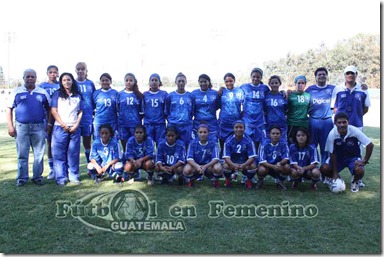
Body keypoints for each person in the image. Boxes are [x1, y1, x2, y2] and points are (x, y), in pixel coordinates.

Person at [6, 69, 50, 186]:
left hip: (39, 127)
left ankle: (37, 177)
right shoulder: (16, 92)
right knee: (22, 154)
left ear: (36, 78)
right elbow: (9, 109)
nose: (30, 79)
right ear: (23, 78)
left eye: (32, 76)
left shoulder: (42, 92)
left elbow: (50, 109)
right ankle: (22, 178)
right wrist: (10, 126)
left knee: (39, 154)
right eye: (27, 76)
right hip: (21, 127)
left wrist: (49, 124)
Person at [320, 112, 374, 193]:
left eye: (344, 122)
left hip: (353, 158)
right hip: (338, 159)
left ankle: (355, 181)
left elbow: (370, 145)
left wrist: (364, 161)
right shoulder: (332, 134)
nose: (342, 125)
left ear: (348, 122)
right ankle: (336, 179)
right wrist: (335, 173)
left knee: (360, 170)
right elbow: (332, 154)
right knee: (324, 168)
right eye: (339, 122)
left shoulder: (354, 130)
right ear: (335, 123)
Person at [51, 72, 83, 186]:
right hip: (60, 128)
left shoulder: (77, 95)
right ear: (61, 82)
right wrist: (63, 124)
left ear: (72, 81)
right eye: (64, 80)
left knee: (73, 153)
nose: (66, 82)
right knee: (59, 154)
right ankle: (61, 178)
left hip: (74, 128)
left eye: (68, 79)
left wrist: (76, 125)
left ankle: (74, 176)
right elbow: (53, 111)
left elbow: (80, 112)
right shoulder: (57, 94)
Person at [305, 67, 336, 165]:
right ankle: (310, 170)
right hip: (313, 121)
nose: (322, 76)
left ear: (327, 76)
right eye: (319, 74)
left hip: (327, 121)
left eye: (324, 74)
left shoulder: (333, 89)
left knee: (326, 147)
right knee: (311, 146)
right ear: (315, 77)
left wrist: (362, 88)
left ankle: (324, 171)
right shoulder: (310, 89)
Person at [332, 65, 371, 130]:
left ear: (356, 74)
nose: (350, 75)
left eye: (352, 73)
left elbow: (366, 108)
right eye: (348, 73)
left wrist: (356, 115)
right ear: (345, 75)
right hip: (340, 126)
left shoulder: (363, 89)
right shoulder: (337, 89)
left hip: (357, 125)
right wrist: (341, 119)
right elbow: (334, 108)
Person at [240, 67, 270, 150]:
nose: (255, 79)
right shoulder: (244, 87)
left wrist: (283, 92)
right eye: (254, 76)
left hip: (259, 119)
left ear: (261, 78)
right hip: (247, 119)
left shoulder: (265, 88)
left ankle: (258, 160)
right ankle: (247, 159)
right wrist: (222, 88)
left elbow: (271, 95)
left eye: (258, 77)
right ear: (251, 76)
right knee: (247, 140)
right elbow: (234, 92)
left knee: (259, 141)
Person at [222, 120, 258, 189]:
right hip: (232, 163)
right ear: (233, 129)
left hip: (245, 163)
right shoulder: (228, 140)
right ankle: (228, 179)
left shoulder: (249, 140)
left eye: (241, 127)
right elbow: (226, 157)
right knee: (225, 165)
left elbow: (252, 157)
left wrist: (243, 165)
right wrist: (234, 165)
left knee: (253, 165)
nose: (238, 129)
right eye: (236, 127)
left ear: (244, 129)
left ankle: (248, 180)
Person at [39, 65, 60, 180]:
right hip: (47, 118)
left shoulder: (60, 85)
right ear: (47, 73)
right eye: (51, 72)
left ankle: (62, 168)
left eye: (55, 72)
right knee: (49, 144)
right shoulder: (42, 86)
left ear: (58, 73)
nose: (53, 74)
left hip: (60, 118)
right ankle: (52, 169)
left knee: (61, 145)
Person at [164, 72, 194, 147]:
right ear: (176, 82)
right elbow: (166, 111)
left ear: (186, 82)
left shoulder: (190, 96)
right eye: (179, 81)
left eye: (183, 81)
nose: (181, 83)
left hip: (186, 125)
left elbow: (193, 111)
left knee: (186, 145)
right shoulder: (170, 96)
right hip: (173, 125)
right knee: (172, 145)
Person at [256, 126, 291, 190]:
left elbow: (286, 157)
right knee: (261, 169)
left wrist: (280, 163)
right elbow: (262, 161)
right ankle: (261, 180)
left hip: (279, 166)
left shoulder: (284, 143)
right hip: (267, 166)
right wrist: (273, 166)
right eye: (273, 133)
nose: (275, 135)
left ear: (280, 135)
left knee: (287, 167)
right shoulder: (264, 144)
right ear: (269, 135)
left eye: (277, 134)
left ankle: (280, 181)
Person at [117, 73, 144, 152]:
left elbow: (142, 112)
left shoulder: (139, 95)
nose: (128, 82)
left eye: (131, 80)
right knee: (125, 145)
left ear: (134, 82)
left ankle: (135, 161)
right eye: (127, 80)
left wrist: (135, 119)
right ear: (124, 82)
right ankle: (126, 160)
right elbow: (117, 109)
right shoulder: (120, 94)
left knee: (135, 144)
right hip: (123, 124)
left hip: (134, 124)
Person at [75, 62, 96, 164]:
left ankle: (90, 164)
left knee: (87, 142)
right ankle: (73, 166)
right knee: (74, 143)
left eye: (82, 69)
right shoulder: (73, 83)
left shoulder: (90, 84)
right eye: (78, 69)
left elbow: (94, 99)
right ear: (75, 71)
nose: (80, 71)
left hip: (87, 117)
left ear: (86, 71)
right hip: (74, 118)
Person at [218, 72, 244, 153]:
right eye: (227, 81)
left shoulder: (239, 91)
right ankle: (222, 159)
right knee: (223, 143)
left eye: (231, 81)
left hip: (235, 122)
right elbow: (217, 105)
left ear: (234, 81)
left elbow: (245, 105)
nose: (229, 83)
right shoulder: (222, 92)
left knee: (234, 142)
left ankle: (233, 160)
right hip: (224, 122)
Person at [191, 74, 220, 142]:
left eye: (205, 81)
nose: (203, 83)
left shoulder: (215, 93)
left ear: (209, 82)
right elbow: (192, 109)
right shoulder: (194, 93)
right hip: (198, 123)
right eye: (201, 82)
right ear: (198, 82)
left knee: (212, 143)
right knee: (197, 144)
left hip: (212, 124)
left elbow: (218, 106)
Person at [143, 73, 168, 146]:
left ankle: (159, 157)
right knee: (148, 143)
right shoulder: (145, 94)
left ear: (159, 83)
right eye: (152, 80)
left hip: (160, 124)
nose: (154, 82)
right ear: (149, 82)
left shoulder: (164, 94)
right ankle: (149, 157)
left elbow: (166, 109)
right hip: (148, 123)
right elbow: (142, 108)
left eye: (156, 80)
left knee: (160, 144)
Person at [92, 73, 118, 140]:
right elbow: (92, 107)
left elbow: (118, 108)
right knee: (98, 141)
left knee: (113, 141)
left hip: (112, 121)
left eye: (107, 80)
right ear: (100, 82)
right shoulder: (96, 93)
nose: (105, 82)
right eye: (103, 80)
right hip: (99, 121)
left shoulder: (115, 93)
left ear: (110, 81)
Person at [287, 75, 310, 145]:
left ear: (305, 84)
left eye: (302, 83)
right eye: (298, 83)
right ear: (295, 84)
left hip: (304, 124)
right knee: (291, 144)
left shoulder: (308, 95)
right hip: (292, 124)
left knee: (304, 144)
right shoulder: (290, 95)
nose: (300, 85)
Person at [264, 75, 288, 143]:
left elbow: (286, 110)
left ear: (279, 84)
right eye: (272, 83)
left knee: (282, 144)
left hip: (281, 124)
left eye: (276, 83)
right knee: (269, 145)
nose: (274, 85)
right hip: (269, 124)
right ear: (269, 84)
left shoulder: (283, 96)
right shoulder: (266, 96)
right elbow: (263, 109)